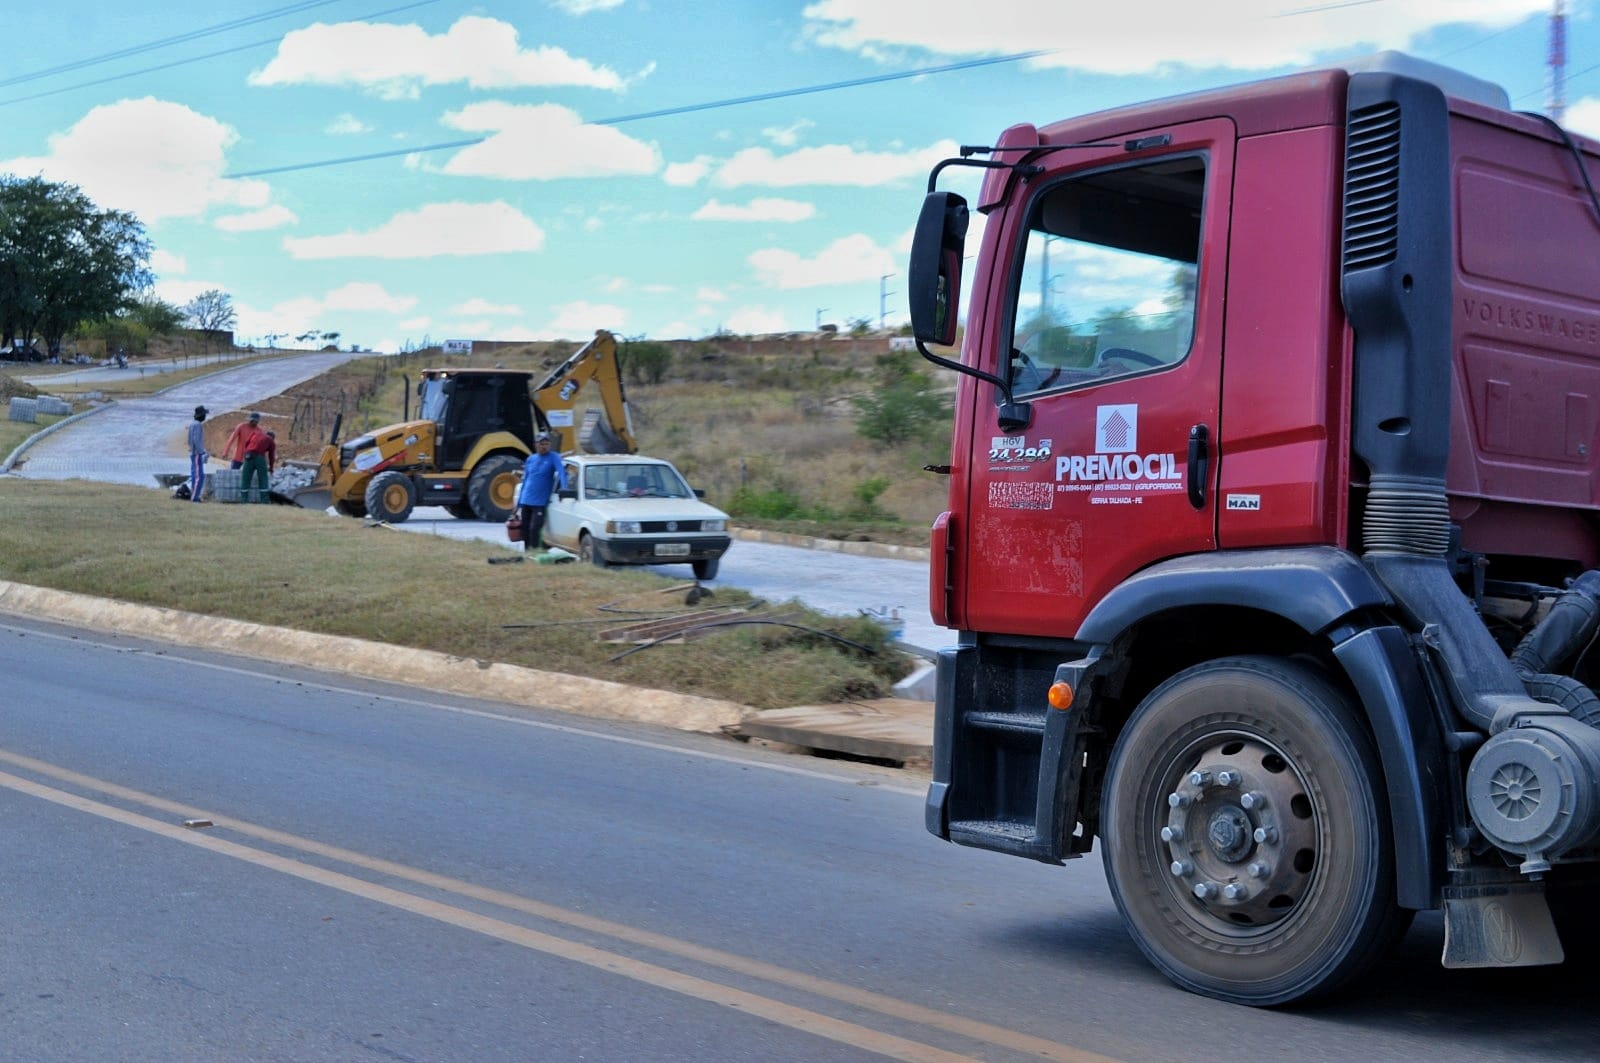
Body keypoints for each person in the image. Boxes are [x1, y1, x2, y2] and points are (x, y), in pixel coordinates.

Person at [514, 433, 567, 552]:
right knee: (525, 529)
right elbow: (525, 480)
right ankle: (527, 553)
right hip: (526, 500)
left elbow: (562, 473)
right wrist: (518, 504)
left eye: (547, 444)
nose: (544, 447)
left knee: (534, 529)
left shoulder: (554, 457)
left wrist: (564, 488)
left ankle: (534, 552)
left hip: (540, 502)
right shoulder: (531, 459)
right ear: (535, 445)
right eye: (541, 444)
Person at [240, 422, 277, 504]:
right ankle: (264, 501)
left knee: (245, 478)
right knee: (263, 478)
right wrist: (271, 469)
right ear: (273, 437)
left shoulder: (255, 434)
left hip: (248, 456)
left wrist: (246, 455)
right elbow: (271, 457)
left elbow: (246, 443)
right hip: (259, 457)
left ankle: (243, 501)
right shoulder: (271, 441)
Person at [187, 405, 208, 503]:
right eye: (204, 415)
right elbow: (196, 440)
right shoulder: (197, 425)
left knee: (194, 475)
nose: (205, 416)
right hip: (197, 454)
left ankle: (194, 495)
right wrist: (202, 452)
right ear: (200, 415)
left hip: (193, 453)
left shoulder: (192, 424)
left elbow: (190, 441)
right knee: (199, 476)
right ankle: (195, 497)